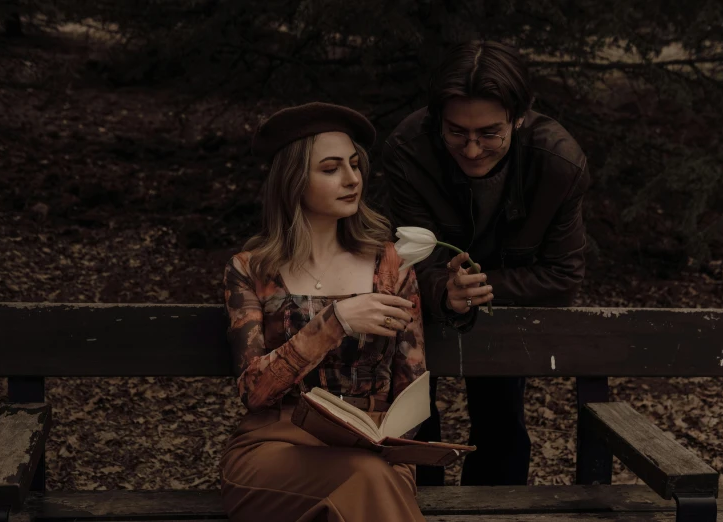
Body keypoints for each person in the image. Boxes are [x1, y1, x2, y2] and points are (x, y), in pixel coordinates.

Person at [383, 40, 590, 486]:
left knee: (501, 421)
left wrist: (478, 289)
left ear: (519, 116)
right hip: (420, 306)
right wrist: (443, 290)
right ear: (438, 119)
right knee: (414, 415)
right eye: (456, 132)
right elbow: (399, 254)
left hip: (506, 303)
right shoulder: (408, 148)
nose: (473, 149)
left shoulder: (558, 162)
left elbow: (563, 276)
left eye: (490, 133)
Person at [220, 102, 431, 522]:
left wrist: (395, 446)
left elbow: (414, 386)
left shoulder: (391, 266)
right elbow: (254, 391)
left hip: (375, 454)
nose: (352, 179)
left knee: (369, 477)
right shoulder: (252, 269)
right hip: (275, 452)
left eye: (355, 165)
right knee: (367, 481)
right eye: (331, 169)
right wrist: (336, 322)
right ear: (293, 180)